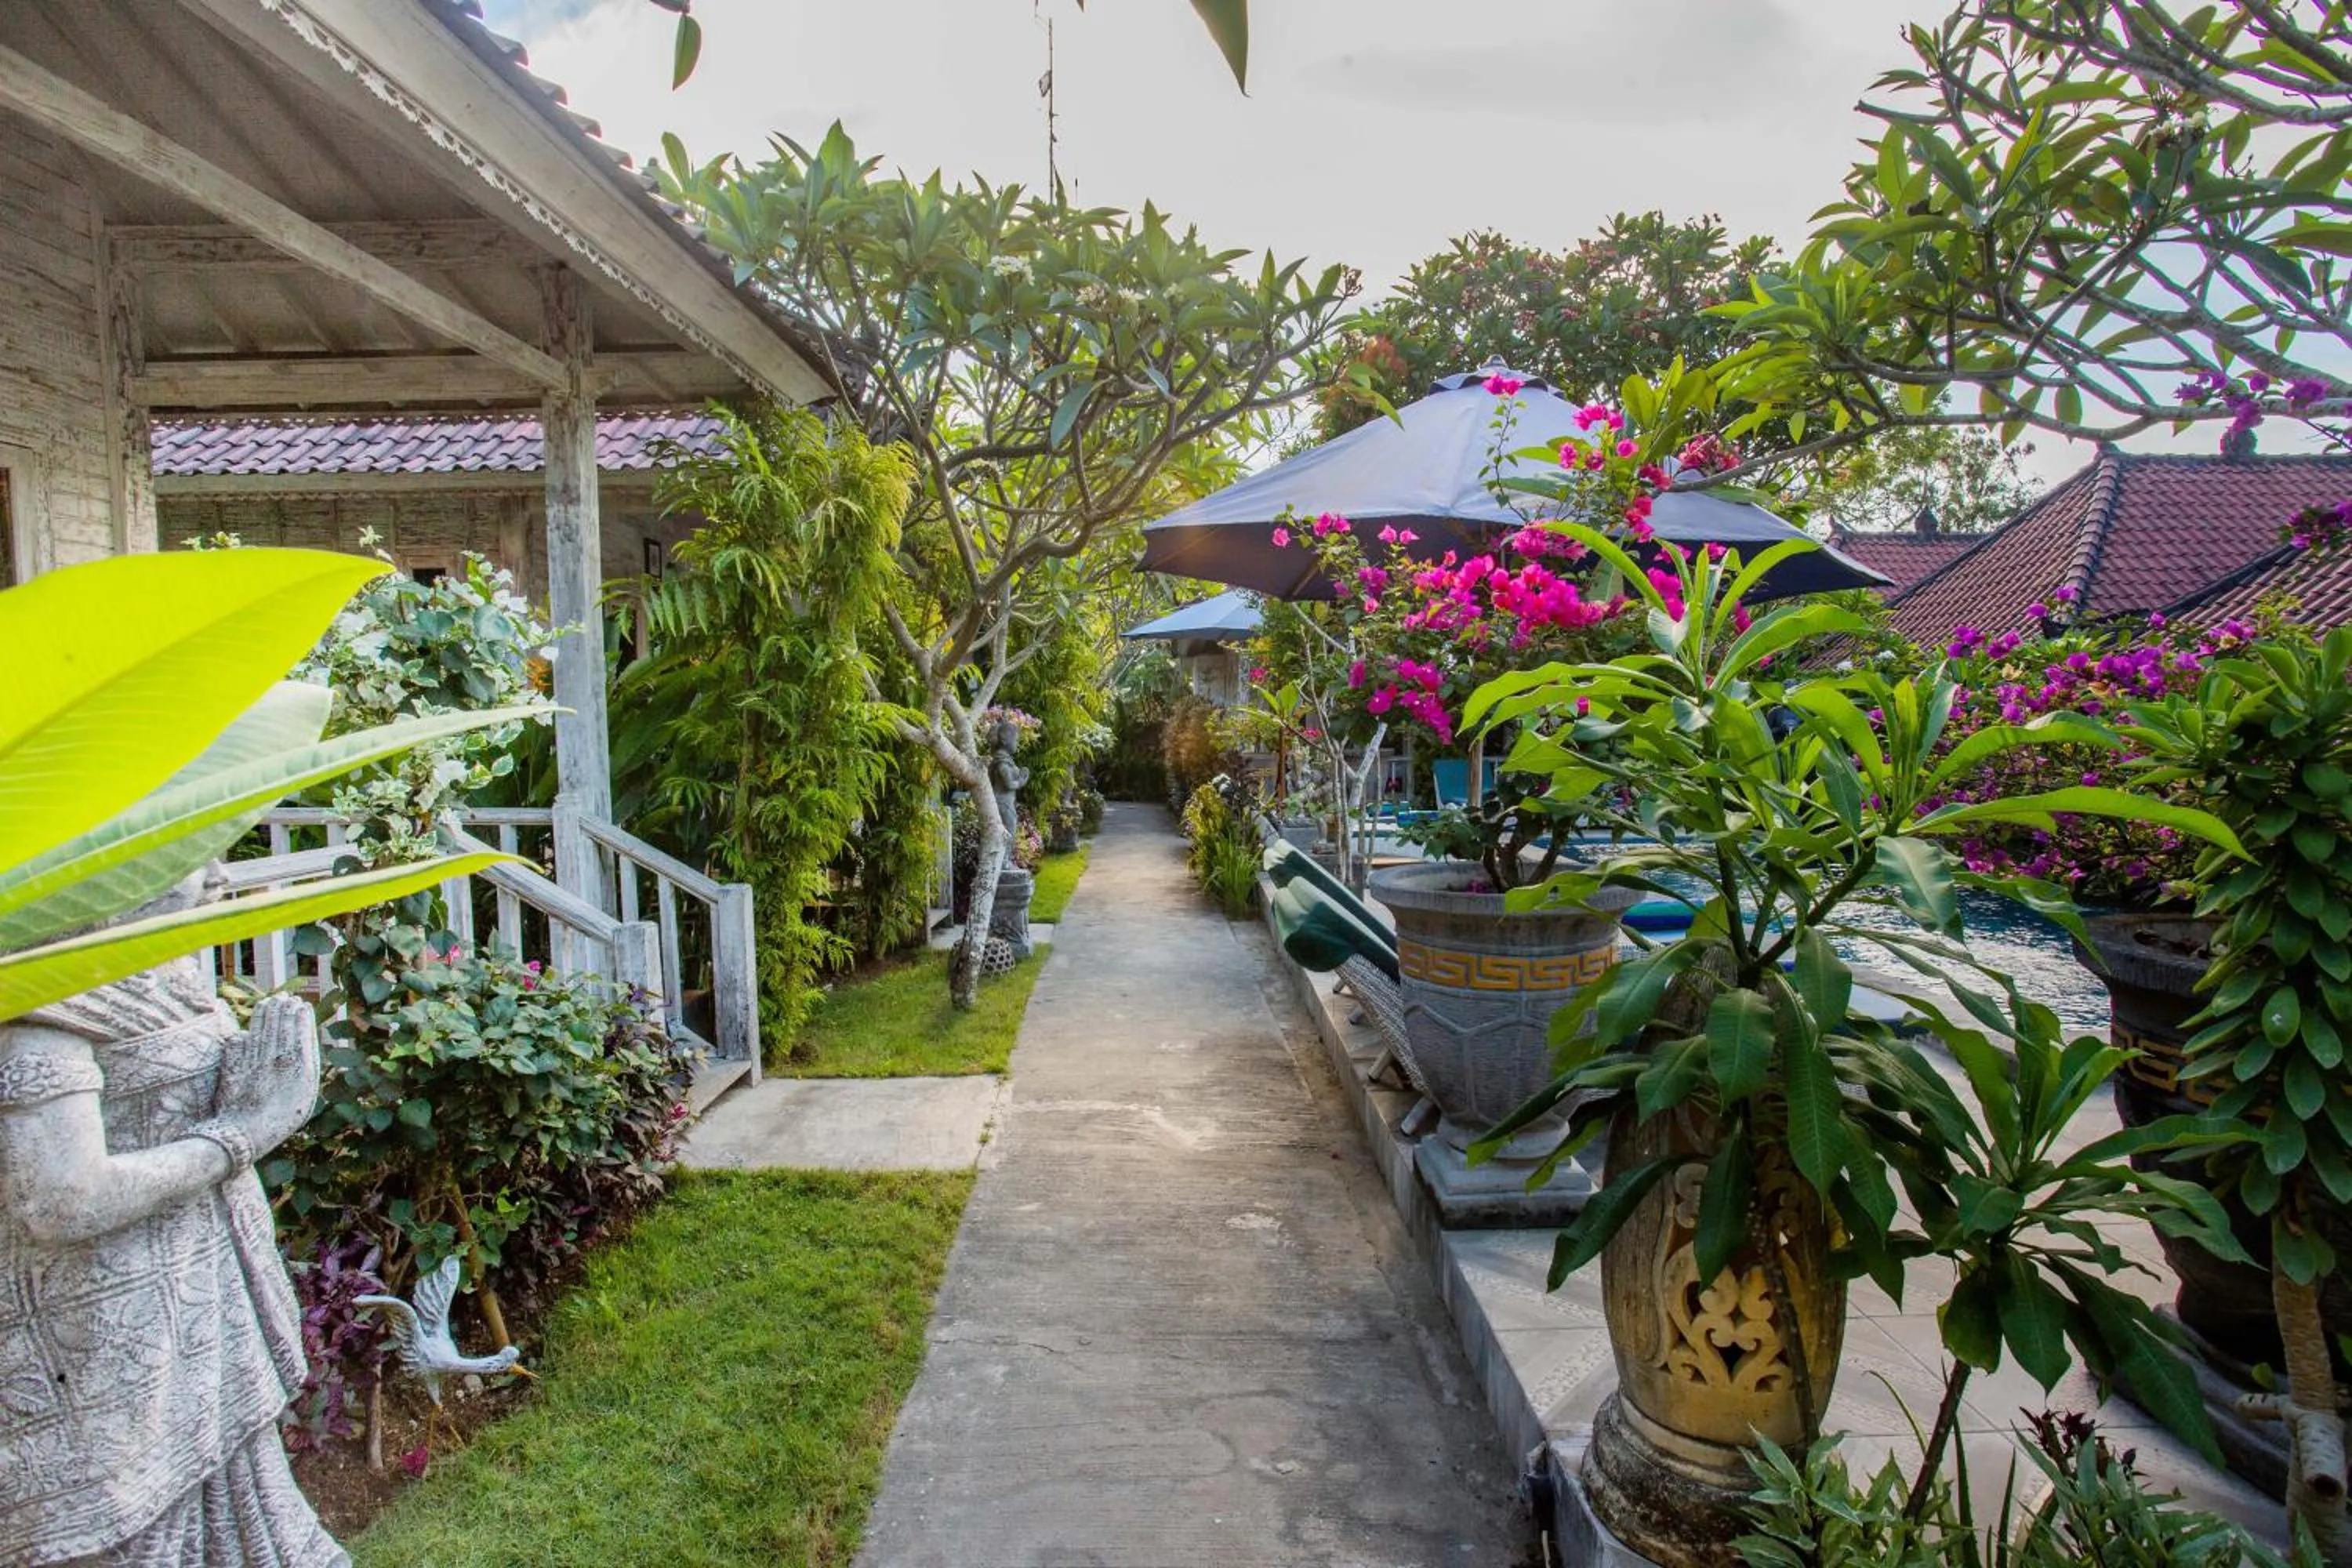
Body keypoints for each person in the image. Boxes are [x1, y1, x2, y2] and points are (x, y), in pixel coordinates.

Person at [0, 869, 345, 1566]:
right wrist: (245, 1130)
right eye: (195, 855)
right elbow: (62, 1200)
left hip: (195, 1313)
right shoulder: (44, 996)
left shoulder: (154, 971)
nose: (219, 875)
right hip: (103, 1348)